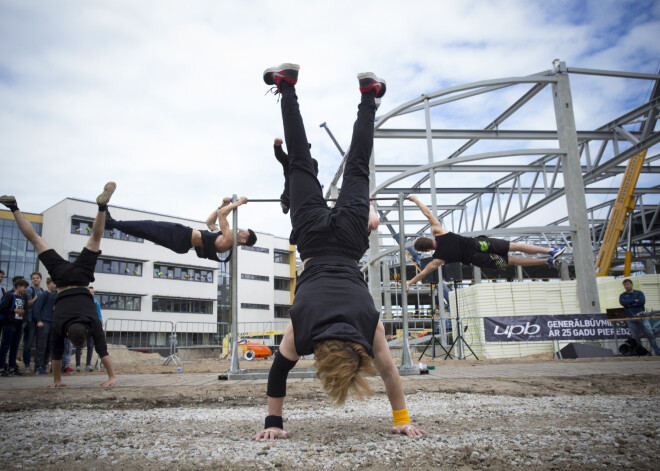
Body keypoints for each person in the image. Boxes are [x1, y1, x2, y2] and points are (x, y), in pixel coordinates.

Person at [254, 63, 425, 442]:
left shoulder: (368, 326)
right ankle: (287, 86)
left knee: (358, 165)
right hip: (314, 242)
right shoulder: (303, 334)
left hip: (348, 243)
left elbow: (389, 373)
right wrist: (272, 424)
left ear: (357, 356)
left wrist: (402, 417)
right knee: (299, 157)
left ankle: (368, 95)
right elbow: (279, 371)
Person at [0, 183, 118, 387]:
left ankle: (102, 207)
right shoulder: (60, 326)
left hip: (81, 278)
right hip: (62, 279)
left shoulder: (91, 323)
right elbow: (57, 354)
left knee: (95, 238)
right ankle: (13, 207)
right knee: (36, 240)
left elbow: (101, 351)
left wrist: (112, 377)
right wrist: (56, 381)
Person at [405, 195, 567, 290]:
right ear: (428, 240)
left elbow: (424, 272)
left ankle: (548, 261)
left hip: (479, 259)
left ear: (426, 251)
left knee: (514, 261)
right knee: (515, 246)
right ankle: (550, 251)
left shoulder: (438, 258)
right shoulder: (438, 232)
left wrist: (410, 283)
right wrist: (416, 200)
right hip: (480, 244)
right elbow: (428, 213)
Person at [104, 197, 256, 262]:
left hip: (182, 236)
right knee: (147, 232)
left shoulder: (229, 239)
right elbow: (210, 222)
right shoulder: (224, 239)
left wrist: (239, 203)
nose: (240, 230)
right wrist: (222, 203)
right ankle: (112, 224)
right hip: (182, 242)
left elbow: (222, 214)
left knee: (149, 226)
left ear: (243, 240)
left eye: (243, 232)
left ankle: (111, 223)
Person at [274, 138, 319, 214]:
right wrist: (277, 146)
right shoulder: (290, 160)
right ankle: (286, 204)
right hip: (290, 192)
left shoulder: (313, 163)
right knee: (286, 197)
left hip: (306, 193)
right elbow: (280, 155)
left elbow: (314, 178)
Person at [619, 278, 660, 355]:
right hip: (630, 318)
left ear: (631, 284)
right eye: (625, 285)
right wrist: (634, 301)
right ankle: (641, 353)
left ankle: (657, 352)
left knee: (650, 335)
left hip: (642, 317)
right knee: (636, 337)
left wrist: (629, 304)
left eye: (627, 284)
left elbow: (642, 302)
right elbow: (623, 303)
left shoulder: (639, 293)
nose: (626, 286)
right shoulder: (622, 295)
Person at [0, 278, 29, 376]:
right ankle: (1, 368)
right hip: (9, 324)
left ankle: (12, 367)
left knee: (14, 347)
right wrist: (14, 311)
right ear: (18, 286)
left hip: (18, 324)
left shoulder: (23, 297)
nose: (25, 289)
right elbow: (3, 308)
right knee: (5, 346)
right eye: (24, 287)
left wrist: (23, 315)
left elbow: (26, 309)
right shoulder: (10, 296)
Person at [33, 278, 56, 374]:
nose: (55, 285)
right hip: (44, 322)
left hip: (53, 323)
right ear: (48, 284)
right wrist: (39, 320)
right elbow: (36, 308)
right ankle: (38, 366)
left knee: (49, 346)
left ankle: (45, 365)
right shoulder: (44, 295)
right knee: (41, 345)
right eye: (53, 283)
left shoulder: (57, 295)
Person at [75, 286, 101, 372]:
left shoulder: (96, 304)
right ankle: (78, 365)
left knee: (90, 346)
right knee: (79, 345)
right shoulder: (81, 303)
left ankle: (88, 364)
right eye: (90, 292)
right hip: (82, 327)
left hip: (92, 327)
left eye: (93, 292)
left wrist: (99, 324)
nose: (91, 294)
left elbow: (99, 315)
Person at [22, 271, 44, 373]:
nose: (35, 279)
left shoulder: (43, 291)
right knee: (28, 343)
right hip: (30, 320)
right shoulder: (29, 291)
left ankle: (38, 365)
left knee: (39, 344)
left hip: (40, 321)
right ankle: (27, 364)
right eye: (33, 278)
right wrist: (38, 298)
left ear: (40, 279)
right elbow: (28, 304)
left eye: (37, 278)